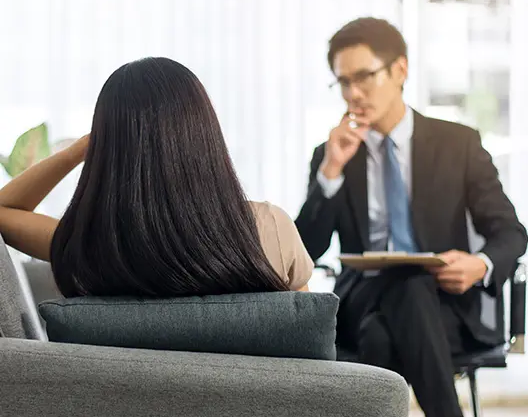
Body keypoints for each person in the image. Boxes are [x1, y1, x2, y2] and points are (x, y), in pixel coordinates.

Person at [296, 17, 528, 417]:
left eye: (364, 76)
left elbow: (511, 233)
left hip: (443, 310)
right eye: (343, 81)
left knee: (393, 319)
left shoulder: (458, 143)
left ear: (399, 69)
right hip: (362, 300)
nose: (353, 92)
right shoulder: (332, 153)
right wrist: (330, 174)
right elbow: (304, 251)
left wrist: (481, 263)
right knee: (400, 285)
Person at [0, 57, 313, 297]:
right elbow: (306, 339)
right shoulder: (270, 227)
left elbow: (4, 211)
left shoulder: (88, 242)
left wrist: (80, 149)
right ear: (204, 134)